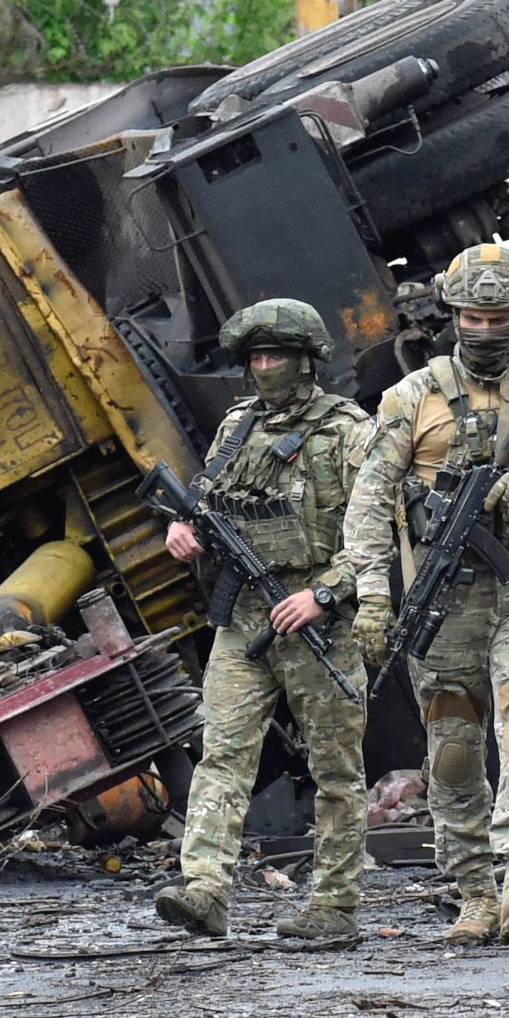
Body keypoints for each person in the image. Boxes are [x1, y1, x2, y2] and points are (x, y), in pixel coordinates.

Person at [342, 244, 509, 946]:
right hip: (445, 601)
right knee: (454, 753)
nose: (485, 330)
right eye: (472, 316)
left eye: (499, 317)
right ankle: (472, 890)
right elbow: (368, 505)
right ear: (450, 315)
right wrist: (373, 596)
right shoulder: (411, 398)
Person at [155, 298, 374, 940]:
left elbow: (383, 534)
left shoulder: (349, 432)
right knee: (222, 754)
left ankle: (334, 905)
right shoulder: (235, 429)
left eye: (276, 355)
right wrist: (183, 530)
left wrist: (327, 594)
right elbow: (206, 504)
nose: (265, 366)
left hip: (317, 624)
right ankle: (205, 890)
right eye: (256, 358)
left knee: (336, 769)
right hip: (243, 617)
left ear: (307, 361)